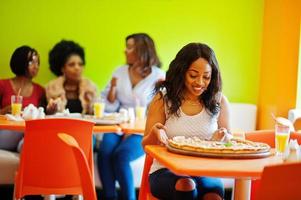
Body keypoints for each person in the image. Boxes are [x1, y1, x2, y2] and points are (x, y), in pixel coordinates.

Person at [142, 43, 231, 200]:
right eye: (193, 75)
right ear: (182, 72)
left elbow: (229, 142)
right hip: (165, 170)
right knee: (186, 185)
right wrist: (155, 133)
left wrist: (223, 140)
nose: (200, 82)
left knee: (213, 196)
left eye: (206, 77)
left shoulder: (219, 100)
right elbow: (145, 146)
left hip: (205, 171)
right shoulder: (163, 99)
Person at [97, 33, 165, 200]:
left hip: (143, 128)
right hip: (118, 123)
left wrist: (136, 126)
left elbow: (162, 109)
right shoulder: (119, 72)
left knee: (121, 156)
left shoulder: (159, 76)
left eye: (129, 47)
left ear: (142, 50)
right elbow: (106, 102)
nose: (125, 50)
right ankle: (109, 197)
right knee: (104, 153)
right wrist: (112, 94)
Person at [0, 45, 45, 151]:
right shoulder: (2, 85)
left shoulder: (40, 90)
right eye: (31, 62)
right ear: (20, 62)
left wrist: (51, 109)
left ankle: (25, 147)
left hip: (27, 133)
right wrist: (3, 111)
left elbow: (42, 117)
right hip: (6, 132)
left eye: (37, 63)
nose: (36, 66)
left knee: (32, 137)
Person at [46, 40, 98, 114]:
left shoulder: (90, 88)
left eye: (80, 64)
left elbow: (97, 114)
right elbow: (47, 114)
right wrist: (50, 110)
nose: (77, 68)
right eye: (71, 64)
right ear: (62, 69)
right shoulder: (52, 88)